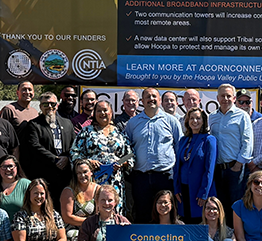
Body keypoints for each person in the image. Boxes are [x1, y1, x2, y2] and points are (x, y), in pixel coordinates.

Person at [125, 87, 181, 222]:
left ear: (160, 100)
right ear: (142, 101)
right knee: (142, 215)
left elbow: (179, 147)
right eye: (148, 97)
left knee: (166, 215)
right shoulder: (132, 123)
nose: (151, 99)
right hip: (141, 178)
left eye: (154, 96)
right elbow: (127, 149)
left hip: (165, 177)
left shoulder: (171, 121)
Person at [69, 100, 134, 213]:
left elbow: (130, 156)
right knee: (95, 211)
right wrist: (88, 163)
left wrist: (122, 163)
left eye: (105, 110)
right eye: (99, 111)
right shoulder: (86, 132)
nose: (102, 113)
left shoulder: (120, 133)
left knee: (114, 212)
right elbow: (74, 153)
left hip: (115, 182)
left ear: (111, 112)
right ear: (94, 113)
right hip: (93, 180)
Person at [21, 91, 74, 208]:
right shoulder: (33, 124)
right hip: (44, 174)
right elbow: (34, 146)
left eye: (52, 104)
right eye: (45, 104)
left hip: (65, 175)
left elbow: (74, 145)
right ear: (40, 106)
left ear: (57, 105)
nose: (50, 107)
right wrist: (55, 159)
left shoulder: (67, 123)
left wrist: (66, 158)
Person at [210, 83, 254, 211]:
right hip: (217, 169)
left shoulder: (242, 116)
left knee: (236, 206)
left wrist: (239, 164)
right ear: (217, 98)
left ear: (234, 98)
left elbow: (248, 141)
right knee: (220, 207)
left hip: (235, 168)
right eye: (222, 96)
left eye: (228, 96)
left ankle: (235, 226)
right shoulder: (212, 117)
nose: (225, 99)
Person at [173, 107, 216, 224]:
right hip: (183, 189)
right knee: (186, 221)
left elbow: (209, 169)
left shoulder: (209, 140)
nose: (194, 121)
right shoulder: (183, 140)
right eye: (191, 118)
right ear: (187, 121)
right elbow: (177, 166)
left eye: (198, 118)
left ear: (203, 121)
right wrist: (176, 188)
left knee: (199, 222)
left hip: (199, 189)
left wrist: (204, 193)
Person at [60, 159, 98, 241]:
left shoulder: (98, 190)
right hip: (73, 229)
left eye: (85, 172)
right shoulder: (69, 191)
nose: (82, 175)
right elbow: (67, 217)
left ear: (91, 172)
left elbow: (99, 214)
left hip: (93, 228)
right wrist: (89, 222)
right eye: (79, 173)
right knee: (75, 237)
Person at [0, 154, 30, 220]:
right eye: (4, 166)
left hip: (20, 225)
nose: (8, 169)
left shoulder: (26, 184)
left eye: (11, 166)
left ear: (16, 167)